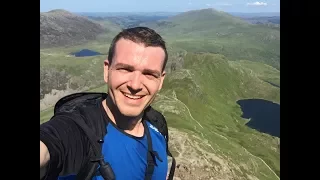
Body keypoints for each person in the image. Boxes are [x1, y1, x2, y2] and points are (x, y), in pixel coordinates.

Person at [40, 27, 173, 180]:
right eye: (125, 69)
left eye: (149, 74)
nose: (135, 85)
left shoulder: (157, 124)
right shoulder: (80, 128)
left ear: (161, 80)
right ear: (107, 70)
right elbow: (49, 144)